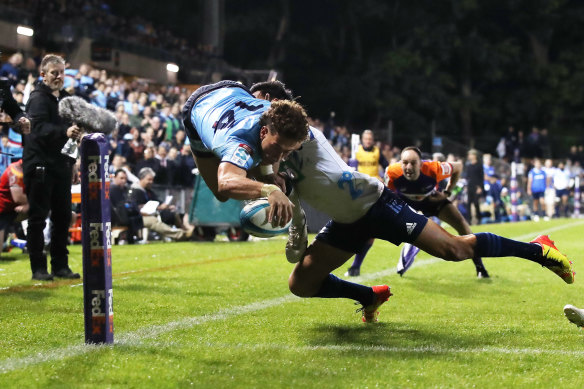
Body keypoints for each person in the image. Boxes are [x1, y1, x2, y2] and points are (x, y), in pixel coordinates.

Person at [250, 80, 573, 323]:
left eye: (259, 104)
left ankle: (539, 249)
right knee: (301, 283)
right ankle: (369, 295)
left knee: (454, 249)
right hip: (346, 220)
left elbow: (275, 158)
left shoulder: (301, 133)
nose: (252, 114)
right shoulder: (271, 144)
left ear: (277, 106)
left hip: (376, 205)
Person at [181, 80, 309, 228]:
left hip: (236, 91)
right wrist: (269, 190)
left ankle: (267, 173)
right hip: (199, 106)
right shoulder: (241, 143)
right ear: (263, 132)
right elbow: (225, 183)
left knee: (268, 171)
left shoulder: (277, 115)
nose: (280, 157)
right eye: (277, 147)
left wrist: (268, 177)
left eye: (288, 152)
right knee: (222, 195)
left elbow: (289, 120)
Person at [382, 146, 489, 278]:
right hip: (409, 205)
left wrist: (447, 193)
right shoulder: (392, 172)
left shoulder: (434, 168)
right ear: (400, 163)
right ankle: (412, 245)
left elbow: (458, 167)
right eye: (405, 163)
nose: (408, 167)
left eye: (413, 163)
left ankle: (480, 268)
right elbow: (389, 196)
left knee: (463, 226)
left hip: (432, 201)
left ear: (421, 163)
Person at [24, 54, 82, 281]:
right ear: (43, 75)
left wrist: (73, 161)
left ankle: (60, 266)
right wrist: (64, 132)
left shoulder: (66, 99)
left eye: (61, 72)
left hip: (60, 166)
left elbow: (74, 134)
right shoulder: (38, 99)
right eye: (54, 73)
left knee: (62, 216)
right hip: (40, 165)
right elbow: (37, 130)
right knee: (38, 218)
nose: (58, 76)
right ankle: (38, 268)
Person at [344, 129, 385, 277]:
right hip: (359, 191)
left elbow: (386, 166)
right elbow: (348, 168)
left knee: (369, 231)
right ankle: (353, 264)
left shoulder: (378, 152)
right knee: (357, 228)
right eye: (366, 138)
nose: (368, 140)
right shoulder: (357, 152)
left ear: (372, 139)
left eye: (370, 138)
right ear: (362, 139)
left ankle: (355, 266)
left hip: (373, 191)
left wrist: (383, 178)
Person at [128, 167, 193, 242]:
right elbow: (136, 207)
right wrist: (159, 208)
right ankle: (181, 234)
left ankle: (184, 230)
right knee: (154, 221)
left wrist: (167, 206)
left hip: (154, 213)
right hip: (140, 217)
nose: (151, 182)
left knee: (174, 214)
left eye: (152, 179)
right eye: (149, 179)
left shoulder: (148, 190)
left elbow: (157, 201)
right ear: (141, 178)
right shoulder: (134, 191)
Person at [0, 159, 28, 249]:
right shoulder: (15, 170)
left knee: (42, 210)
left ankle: (37, 245)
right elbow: (18, 197)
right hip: (3, 210)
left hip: (11, 210)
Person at [110, 169, 142, 243]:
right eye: (121, 178)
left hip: (125, 214)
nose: (124, 181)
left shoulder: (126, 189)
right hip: (116, 216)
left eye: (125, 178)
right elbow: (118, 205)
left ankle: (133, 238)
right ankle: (132, 238)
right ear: (115, 178)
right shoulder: (113, 189)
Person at [464, 149, 484, 225]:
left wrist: (480, 187)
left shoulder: (479, 165)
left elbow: (481, 177)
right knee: (468, 204)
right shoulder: (468, 166)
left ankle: (479, 218)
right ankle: (469, 220)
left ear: (474, 155)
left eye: (470, 154)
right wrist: (466, 186)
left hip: (477, 187)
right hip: (470, 186)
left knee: (476, 203)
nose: (469, 156)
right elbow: (467, 177)